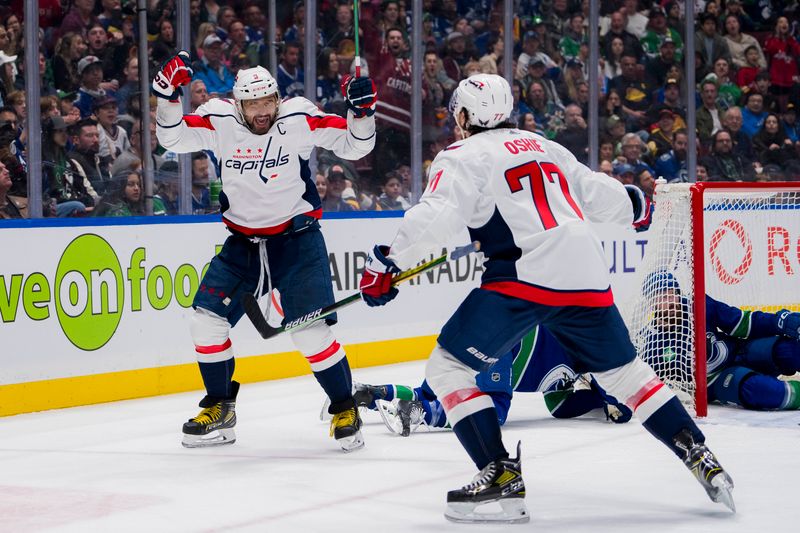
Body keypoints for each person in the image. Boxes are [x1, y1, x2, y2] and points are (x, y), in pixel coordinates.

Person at [357, 73, 734, 523]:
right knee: (625, 375)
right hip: (588, 273)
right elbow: (595, 191)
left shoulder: (461, 155)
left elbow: (436, 215)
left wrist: (388, 262)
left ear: (464, 115)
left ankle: (499, 475)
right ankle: (700, 454)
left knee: (448, 367)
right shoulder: (542, 145)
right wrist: (634, 206)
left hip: (526, 276)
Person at [153, 52, 377, 451]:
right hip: (243, 244)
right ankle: (220, 409)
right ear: (238, 105)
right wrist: (166, 95)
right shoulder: (219, 119)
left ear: (277, 98)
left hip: (297, 240)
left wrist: (362, 111)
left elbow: (357, 146)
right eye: (253, 104)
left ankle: (345, 406)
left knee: (310, 332)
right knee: (205, 321)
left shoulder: (297, 118)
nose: (262, 112)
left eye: (267, 102)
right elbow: (171, 136)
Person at [342, 325, 633, 438]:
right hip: (503, 344)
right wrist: (608, 399)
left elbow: (557, 405)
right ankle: (420, 414)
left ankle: (376, 392)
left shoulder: (573, 368)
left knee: (432, 391)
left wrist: (596, 401)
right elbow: (623, 405)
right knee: (494, 413)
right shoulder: (594, 353)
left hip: (476, 334)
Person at [639, 271, 800, 411]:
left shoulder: (697, 305)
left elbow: (742, 322)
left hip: (740, 353)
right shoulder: (653, 344)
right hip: (716, 381)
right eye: (664, 297)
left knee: (789, 351)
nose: (672, 300)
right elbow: (640, 384)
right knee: (761, 390)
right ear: (652, 303)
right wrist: (617, 404)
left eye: (674, 293)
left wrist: (779, 322)